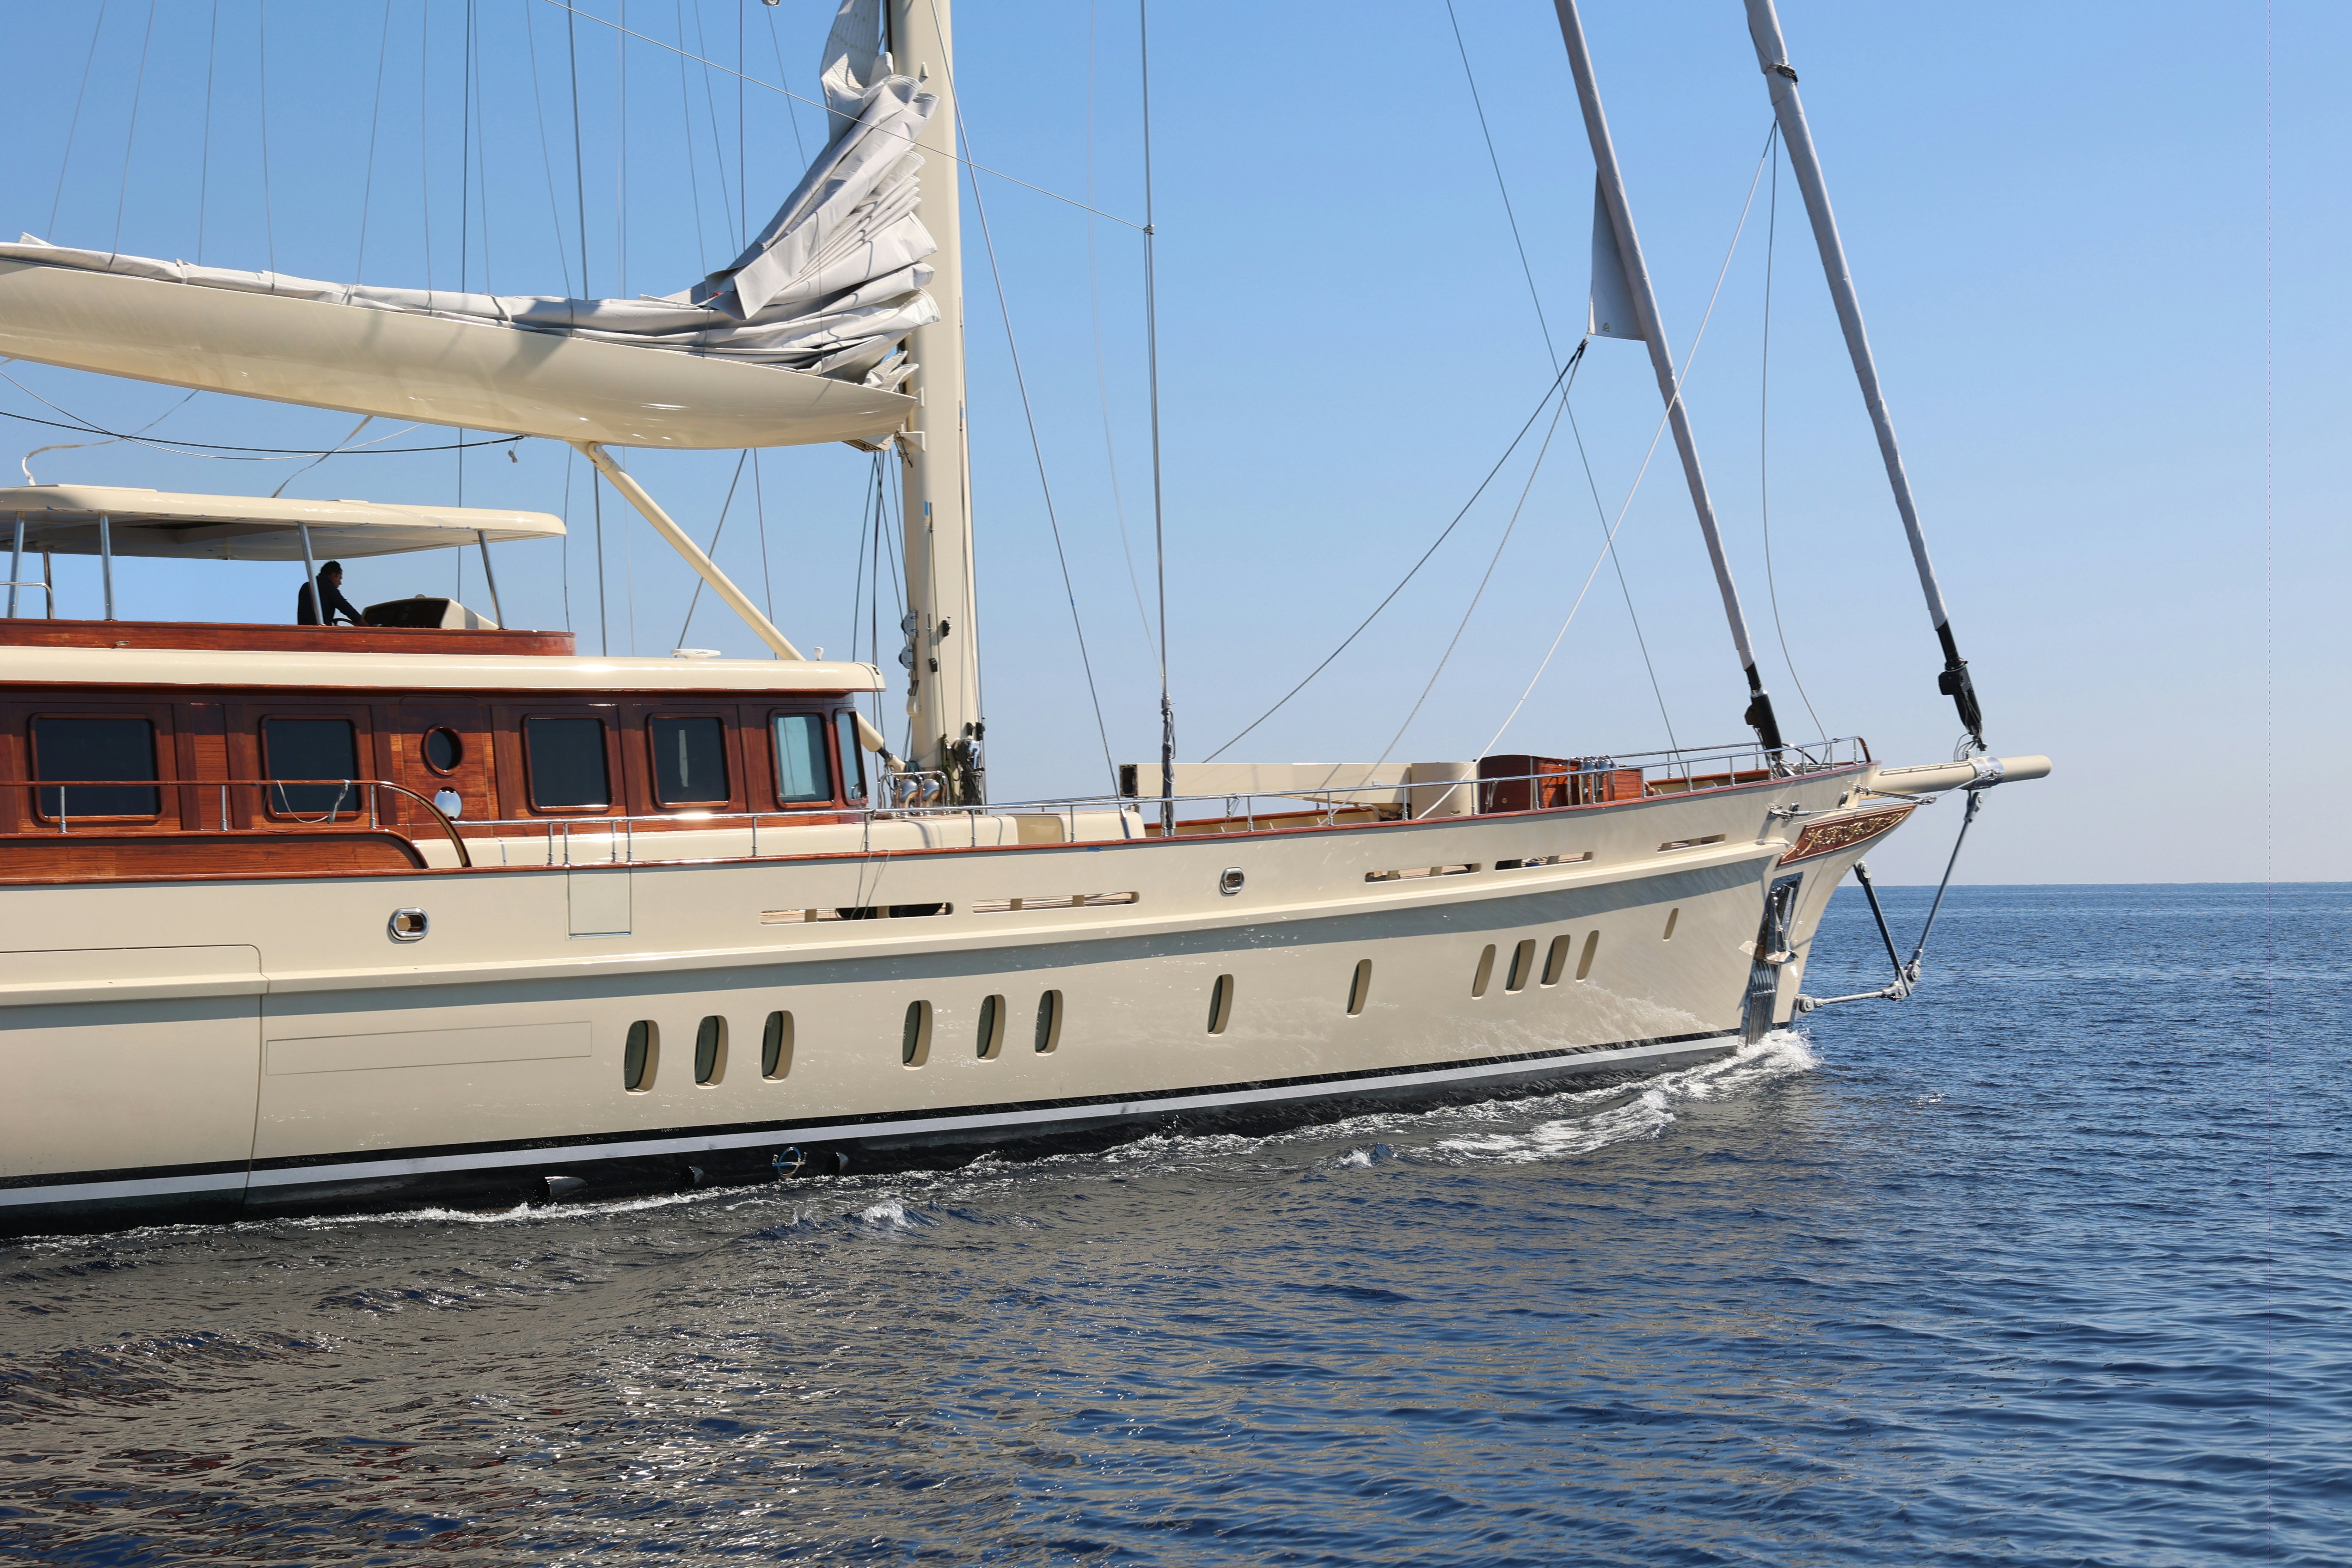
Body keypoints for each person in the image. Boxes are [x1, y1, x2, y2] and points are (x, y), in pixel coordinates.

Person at [296, 561, 364, 626]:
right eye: (340, 578)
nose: (340, 583)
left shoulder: (306, 586)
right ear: (334, 575)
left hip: (303, 631)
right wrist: (367, 627)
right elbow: (348, 610)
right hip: (320, 632)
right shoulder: (329, 588)